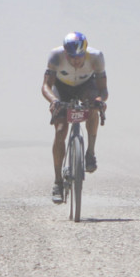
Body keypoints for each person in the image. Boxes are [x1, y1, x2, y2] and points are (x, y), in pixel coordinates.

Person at [41, 31, 108, 203]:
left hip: (86, 86)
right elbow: (46, 86)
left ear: (85, 52)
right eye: (71, 57)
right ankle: (57, 183)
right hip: (61, 88)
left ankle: (90, 153)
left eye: (79, 57)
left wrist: (100, 100)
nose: (76, 61)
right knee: (61, 129)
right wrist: (54, 101)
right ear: (65, 53)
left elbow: (103, 89)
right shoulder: (56, 56)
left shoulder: (96, 57)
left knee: (93, 107)